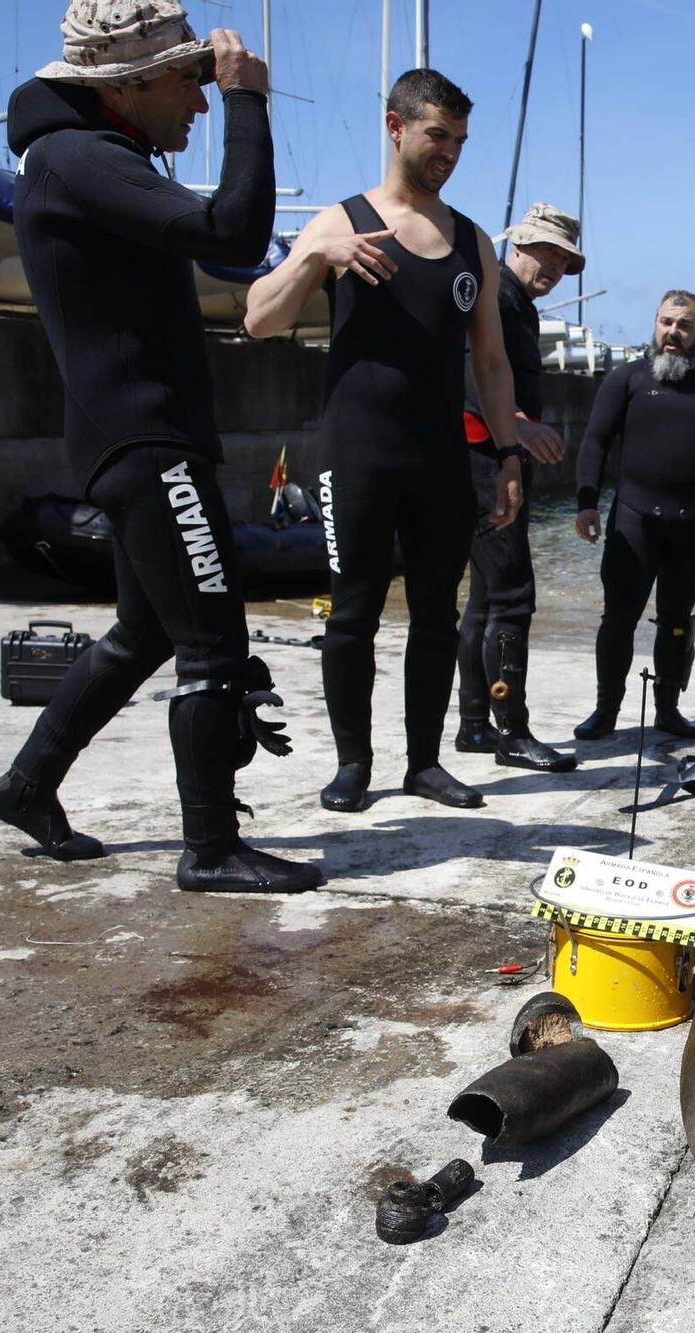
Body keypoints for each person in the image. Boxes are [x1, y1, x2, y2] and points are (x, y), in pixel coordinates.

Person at [0, 1, 317, 893]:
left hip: (135, 436)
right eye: (188, 83)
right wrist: (252, 102)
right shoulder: (79, 158)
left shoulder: (92, 159)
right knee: (212, 642)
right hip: (144, 441)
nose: (200, 105)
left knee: (142, 633)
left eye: (211, 87)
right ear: (126, 87)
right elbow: (234, 234)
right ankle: (209, 847)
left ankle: (26, 784)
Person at [243, 69, 525, 813]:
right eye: (438, 135)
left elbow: (490, 363)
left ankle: (425, 762)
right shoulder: (341, 222)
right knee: (353, 612)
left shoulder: (472, 243)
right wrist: (314, 260)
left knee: (436, 612)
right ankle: (352, 764)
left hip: (439, 458)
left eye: (461, 141)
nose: (451, 153)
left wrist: (507, 455)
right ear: (396, 127)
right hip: (357, 453)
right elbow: (258, 318)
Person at [572, 291, 695, 739]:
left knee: (677, 620)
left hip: (694, 523)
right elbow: (595, 442)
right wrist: (586, 502)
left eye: (684, 325)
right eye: (666, 322)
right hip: (634, 517)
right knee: (618, 618)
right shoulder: (626, 379)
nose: (673, 332)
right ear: (656, 323)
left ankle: (667, 710)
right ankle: (605, 710)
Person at [453, 203, 578, 773]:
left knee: (484, 598)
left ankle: (476, 725)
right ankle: (513, 732)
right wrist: (519, 428)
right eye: (544, 252)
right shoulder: (498, 294)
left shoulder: (515, 301)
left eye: (562, 258)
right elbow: (468, 371)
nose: (551, 265)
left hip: (488, 457)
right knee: (512, 599)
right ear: (517, 246)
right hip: (484, 459)